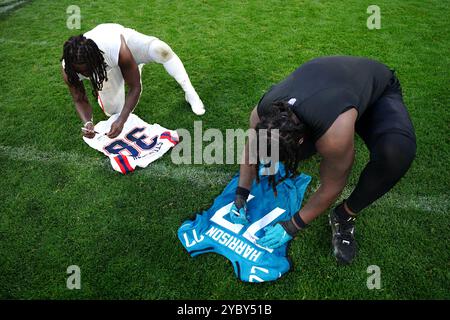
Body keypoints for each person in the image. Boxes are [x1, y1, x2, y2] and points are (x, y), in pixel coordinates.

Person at [229, 56, 416, 264]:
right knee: (296, 146)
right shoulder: (261, 114)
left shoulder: (333, 136)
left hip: (375, 94)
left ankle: (344, 215)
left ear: (301, 139)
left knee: (396, 153)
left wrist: (293, 225)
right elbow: (251, 147)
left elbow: (332, 185)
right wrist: (240, 194)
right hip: (336, 90)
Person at [61, 23, 205, 139]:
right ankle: (127, 70)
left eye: (88, 69)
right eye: (82, 72)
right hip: (107, 68)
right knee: (114, 112)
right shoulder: (69, 70)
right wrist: (88, 122)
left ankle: (190, 93)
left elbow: (135, 87)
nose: (86, 74)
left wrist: (122, 121)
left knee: (161, 50)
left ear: (95, 60)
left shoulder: (115, 47)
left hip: (123, 44)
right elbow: (79, 99)